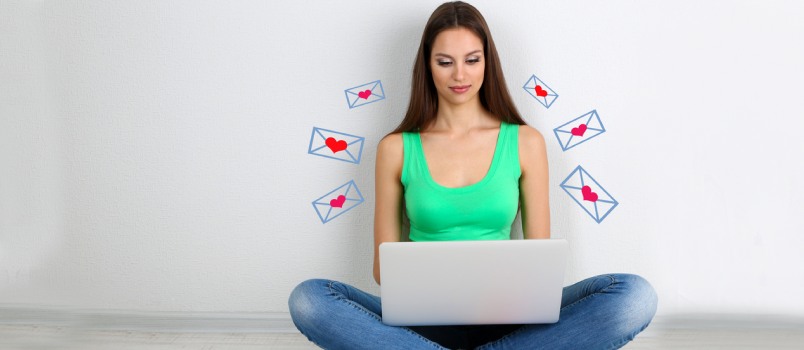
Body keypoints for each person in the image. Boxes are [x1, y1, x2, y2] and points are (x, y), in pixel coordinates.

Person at [289, 2, 658, 349]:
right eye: (445, 62)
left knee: (633, 295)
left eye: (472, 60)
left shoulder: (525, 142)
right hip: (419, 321)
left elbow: (539, 265)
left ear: (488, 63)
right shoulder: (396, 149)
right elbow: (383, 270)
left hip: (508, 318)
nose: (460, 75)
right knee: (309, 299)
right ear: (427, 66)